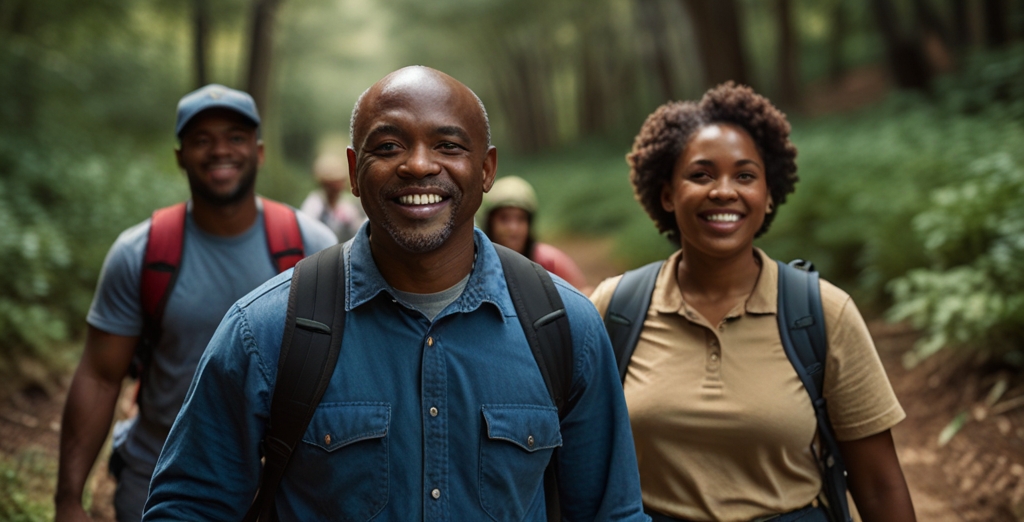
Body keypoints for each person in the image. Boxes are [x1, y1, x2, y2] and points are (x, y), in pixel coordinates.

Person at [143, 66, 649, 521]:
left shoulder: (566, 327)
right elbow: (188, 508)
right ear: (353, 172)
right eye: (387, 147)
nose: (418, 165)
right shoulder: (266, 330)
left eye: (449, 146)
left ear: (488, 169)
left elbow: (611, 512)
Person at [589, 83, 917, 522]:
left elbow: (879, 485)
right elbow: (578, 464)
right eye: (701, 175)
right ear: (667, 194)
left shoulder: (823, 313)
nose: (724, 191)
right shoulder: (615, 308)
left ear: (768, 196)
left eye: (745, 176)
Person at [54, 84, 338, 522]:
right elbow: (99, 374)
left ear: (259, 153)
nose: (219, 150)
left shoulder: (311, 249)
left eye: (235, 137)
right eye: (201, 140)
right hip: (160, 482)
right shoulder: (142, 253)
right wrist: (68, 500)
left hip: (283, 488)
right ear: (180, 155)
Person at [479, 175, 591, 293]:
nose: (513, 228)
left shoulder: (549, 263)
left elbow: (584, 295)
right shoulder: (477, 266)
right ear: (490, 223)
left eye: (521, 219)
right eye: (504, 219)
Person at [299, 152, 366, 242]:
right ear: (325, 183)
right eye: (335, 182)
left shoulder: (345, 205)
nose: (340, 186)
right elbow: (305, 231)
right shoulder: (314, 204)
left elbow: (357, 228)